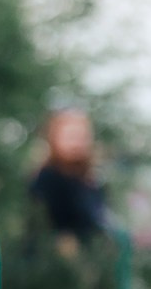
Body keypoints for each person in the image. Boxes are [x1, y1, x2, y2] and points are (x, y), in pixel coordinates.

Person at [28, 106, 108, 250]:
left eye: (81, 137)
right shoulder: (47, 178)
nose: (76, 143)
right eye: (70, 136)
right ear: (55, 137)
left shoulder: (91, 180)